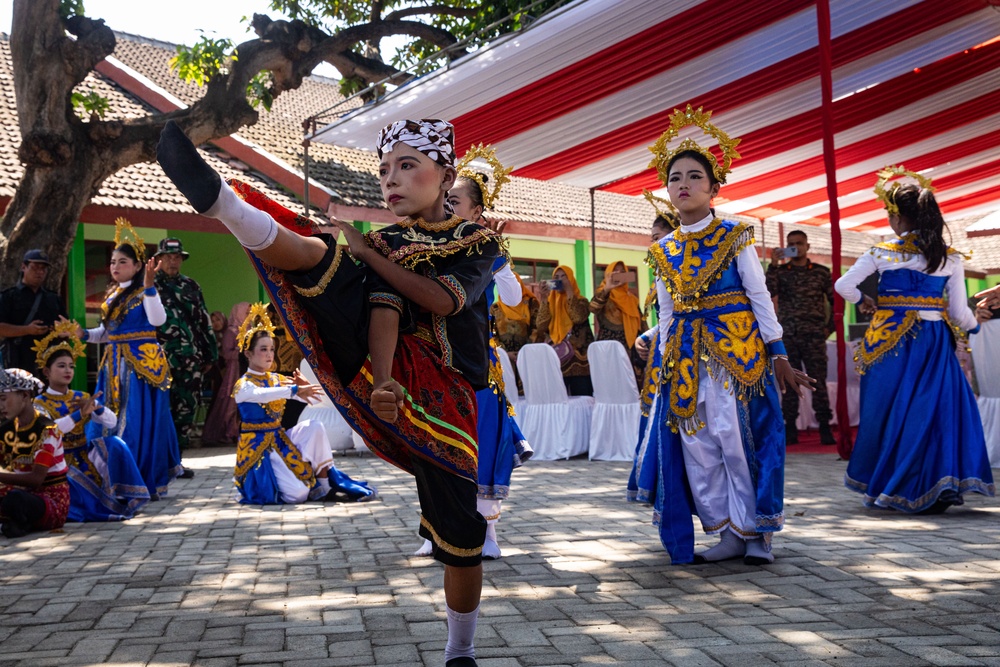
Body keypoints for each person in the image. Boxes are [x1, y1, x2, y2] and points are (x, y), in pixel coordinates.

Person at [157, 117, 503, 667]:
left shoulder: (476, 240)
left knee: (461, 537)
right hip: (378, 363)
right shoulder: (387, 240)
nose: (390, 180)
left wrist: (371, 258)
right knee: (327, 261)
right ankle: (223, 203)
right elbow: (385, 308)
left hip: (452, 397)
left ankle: (460, 652)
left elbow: (443, 301)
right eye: (384, 169)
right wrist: (384, 377)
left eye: (407, 166)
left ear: (446, 175)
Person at [644, 105, 809, 566]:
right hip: (685, 360)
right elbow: (668, 312)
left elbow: (759, 296)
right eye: (675, 177)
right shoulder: (662, 250)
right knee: (700, 448)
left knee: (741, 442)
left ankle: (759, 531)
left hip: (739, 356)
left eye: (695, 176)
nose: (684, 184)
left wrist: (777, 353)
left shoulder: (736, 235)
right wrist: (659, 365)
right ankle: (728, 532)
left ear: (714, 188)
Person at [835, 167, 994, 513]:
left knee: (892, 411)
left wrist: (864, 301)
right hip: (934, 342)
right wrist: (977, 327)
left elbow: (843, 286)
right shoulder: (947, 256)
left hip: (889, 341)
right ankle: (941, 483)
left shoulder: (882, 252)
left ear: (896, 217)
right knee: (936, 410)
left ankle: (894, 483)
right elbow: (958, 312)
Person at [413, 145, 531, 560]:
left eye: (454, 201)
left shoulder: (486, 250)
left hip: (479, 366)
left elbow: (514, 296)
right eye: (444, 200)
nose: (445, 205)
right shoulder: (423, 246)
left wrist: (497, 257)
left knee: (482, 447)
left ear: (477, 212)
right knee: (435, 446)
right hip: (435, 364)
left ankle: (490, 535)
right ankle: (434, 532)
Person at [63, 219, 182, 500]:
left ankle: (135, 478)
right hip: (113, 364)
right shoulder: (112, 295)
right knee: (107, 417)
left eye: (123, 261)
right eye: (113, 261)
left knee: (134, 420)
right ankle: (110, 476)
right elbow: (108, 333)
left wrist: (151, 286)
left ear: (138, 266)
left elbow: (158, 321)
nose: (115, 266)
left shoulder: (145, 293)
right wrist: (83, 334)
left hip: (139, 366)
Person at [233, 304, 375, 504]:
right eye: (263, 349)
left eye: (272, 349)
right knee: (297, 495)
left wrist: (305, 387)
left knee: (315, 426)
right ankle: (293, 482)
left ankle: (325, 488)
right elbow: (260, 394)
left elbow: (311, 399)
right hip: (258, 450)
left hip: (279, 440)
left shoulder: (276, 379)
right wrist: (292, 390)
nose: (269, 354)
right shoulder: (243, 385)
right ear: (248, 354)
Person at [32, 321, 150, 521]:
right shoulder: (39, 403)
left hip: (84, 454)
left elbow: (112, 423)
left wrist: (98, 408)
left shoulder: (81, 396)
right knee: (75, 491)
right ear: (46, 372)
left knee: (115, 443)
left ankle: (125, 495)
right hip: (60, 462)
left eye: (71, 366)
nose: (68, 371)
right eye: (61, 366)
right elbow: (54, 430)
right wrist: (80, 414)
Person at [766, 230, 836, 445]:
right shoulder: (781, 272)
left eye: (799, 243)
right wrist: (774, 265)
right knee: (789, 381)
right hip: (788, 335)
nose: (796, 247)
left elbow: (836, 301)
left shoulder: (821, 272)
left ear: (808, 245)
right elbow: (767, 292)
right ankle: (790, 427)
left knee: (818, 381)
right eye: (791, 244)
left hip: (814, 335)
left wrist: (829, 328)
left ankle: (824, 425)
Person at [154, 237, 218, 470]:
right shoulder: (150, 287)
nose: (173, 261)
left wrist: (211, 354)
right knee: (162, 412)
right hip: (159, 361)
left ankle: (176, 462)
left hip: (190, 360)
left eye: (177, 257)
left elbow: (204, 320)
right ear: (159, 259)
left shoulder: (191, 286)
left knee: (186, 410)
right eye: (168, 257)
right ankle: (159, 462)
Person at [628, 203, 677, 505]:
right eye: (651, 237)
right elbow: (664, 318)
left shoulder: (683, 268)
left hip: (681, 354)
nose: (653, 243)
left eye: (659, 236)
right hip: (659, 356)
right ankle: (652, 483)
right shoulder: (661, 269)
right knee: (654, 418)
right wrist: (644, 336)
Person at [0, 368, 69, 538]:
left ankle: (14, 523)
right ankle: (12, 523)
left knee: (16, 499)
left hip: (49, 500)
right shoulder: (6, 429)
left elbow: (36, 480)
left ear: (24, 396)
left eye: (3, 399)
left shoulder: (47, 429)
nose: (0, 406)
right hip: (17, 491)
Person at [0, 249, 66, 373]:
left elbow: (66, 326)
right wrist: (27, 330)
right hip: (17, 360)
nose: (39, 272)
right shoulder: (9, 296)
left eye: (43, 269)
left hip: (49, 362)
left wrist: (57, 329)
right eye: (35, 267)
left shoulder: (53, 298)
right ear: (23, 267)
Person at [535, 265, 595, 396]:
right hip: (556, 359)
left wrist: (569, 292)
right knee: (558, 401)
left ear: (571, 279)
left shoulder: (582, 301)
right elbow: (541, 326)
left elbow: (578, 317)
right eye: (556, 277)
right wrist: (544, 299)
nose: (560, 280)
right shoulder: (550, 302)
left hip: (579, 363)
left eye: (564, 277)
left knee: (582, 399)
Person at [590, 260, 647, 386]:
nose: (619, 273)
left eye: (622, 271)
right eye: (615, 271)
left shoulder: (631, 299)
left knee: (632, 390)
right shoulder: (603, 292)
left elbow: (642, 324)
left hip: (631, 352)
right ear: (609, 274)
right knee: (611, 388)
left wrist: (647, 343)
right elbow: (593, 308)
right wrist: (607, 288)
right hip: (609, 351)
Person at [201, 302, 248, 445]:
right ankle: (228, 433)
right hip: (233, 370)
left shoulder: (248, 330)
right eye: (246, 313)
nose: (249, 316)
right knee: (230, 402)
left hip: (245, 369)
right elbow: (227, 354)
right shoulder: (231, 332)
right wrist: (243, 352)